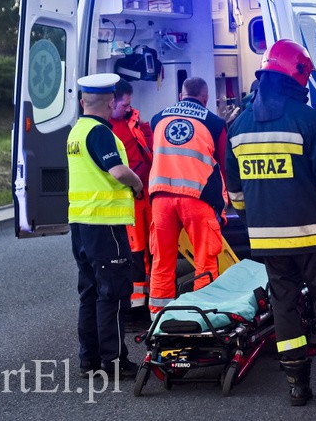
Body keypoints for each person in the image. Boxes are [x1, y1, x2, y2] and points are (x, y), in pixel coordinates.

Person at [225, 39, 316, 406]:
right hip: (315, 238)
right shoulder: (308, 121)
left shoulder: (238, 127)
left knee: (285, 306)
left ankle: (297, 386)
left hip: (268, 242)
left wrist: (256, 221)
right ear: (299, 76)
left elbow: (236, 191)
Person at [67, 73, 143, 378]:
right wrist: (137, 184)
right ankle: (114, 361)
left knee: (89, 292)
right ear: (110, 102)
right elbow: (117, 171)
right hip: (105, 224)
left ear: (84, 102)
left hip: (82, 223)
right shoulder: (99, 133)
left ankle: (90, 360)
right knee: (112, 294)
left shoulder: (76, 131)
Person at [147, 77, 226, 318]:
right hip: (197, 198)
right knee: (205, 260)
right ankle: (204, 316)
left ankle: (158, 318)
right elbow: (222, 162)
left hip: (161, 198)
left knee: (162, 260)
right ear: (206, 98)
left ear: (181, 96)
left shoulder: (157, 119)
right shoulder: (215, 123)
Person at [109, 79, 154, 328]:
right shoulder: (108, 130)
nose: (128, 107)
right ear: (111, 102)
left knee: (148, 250)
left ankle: (145, 300)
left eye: (129, 103)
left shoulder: (133, 120)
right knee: (135, 254)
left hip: (144, 194)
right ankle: (134, 308)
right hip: (130, 199)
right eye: (124, 104)